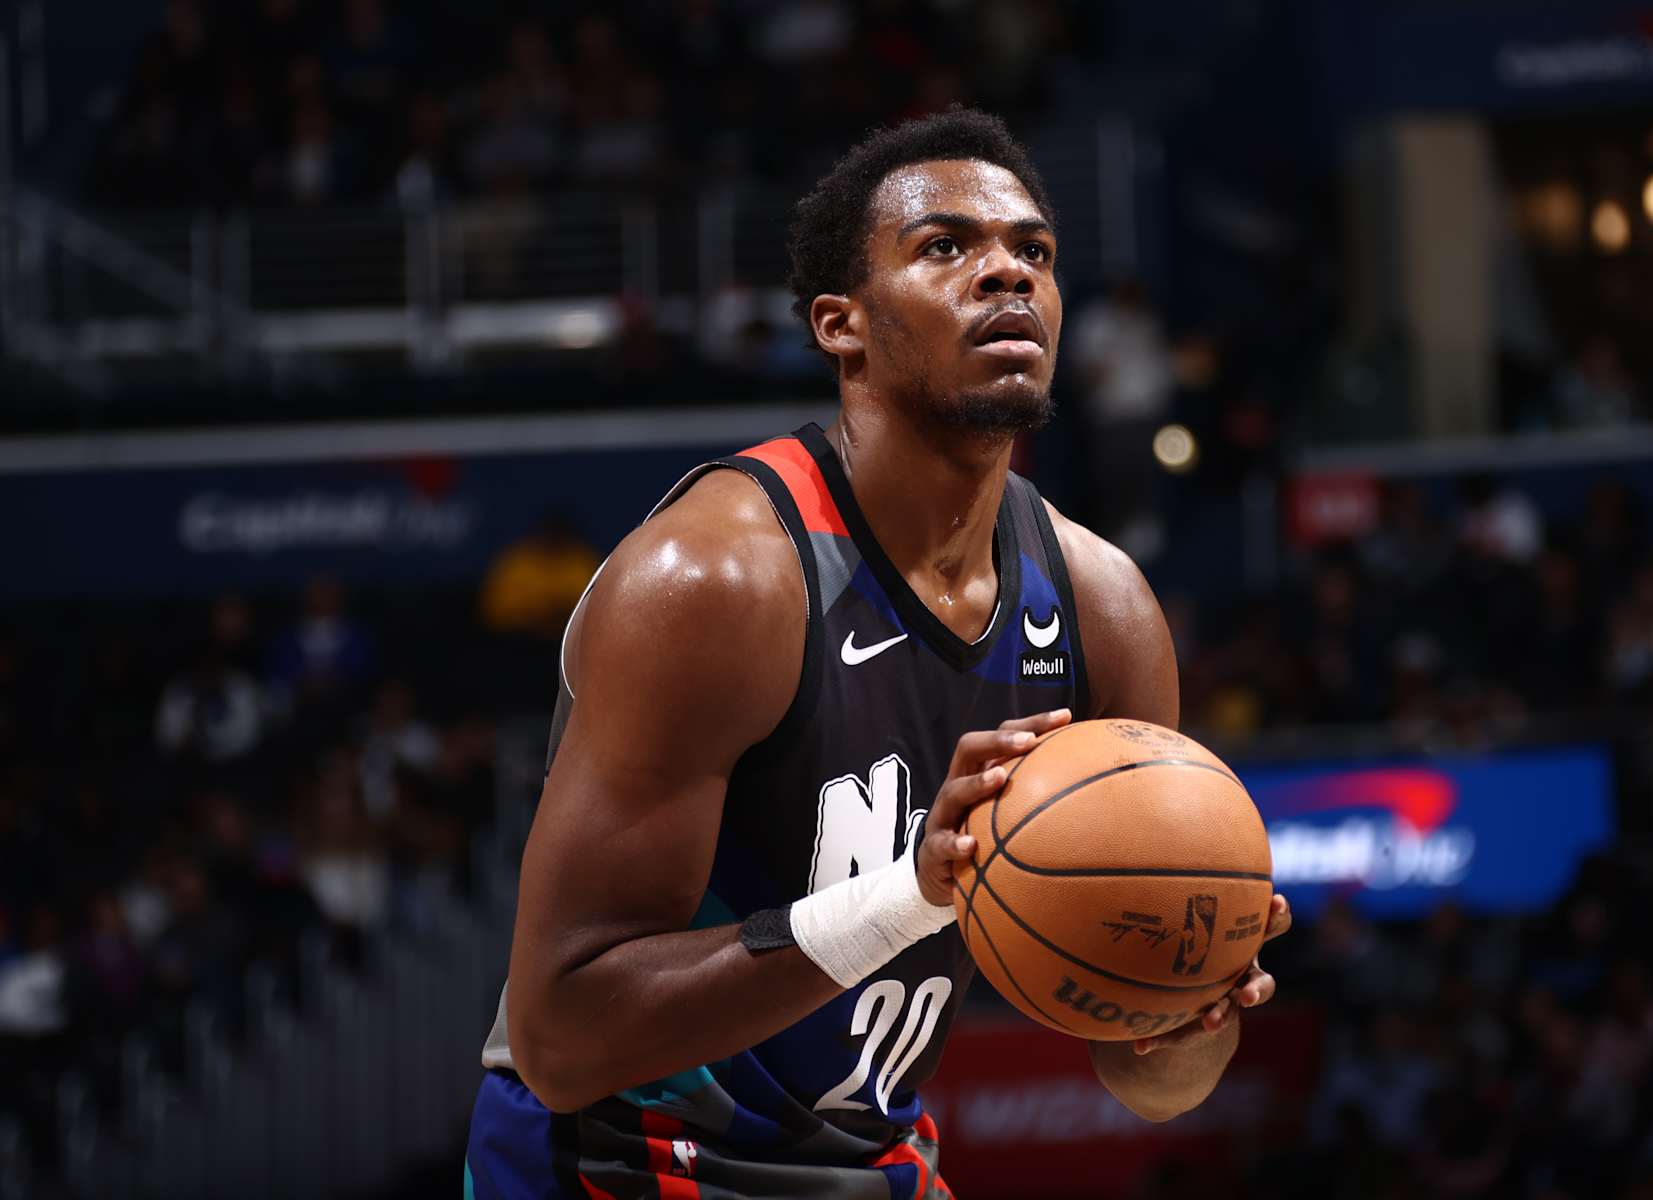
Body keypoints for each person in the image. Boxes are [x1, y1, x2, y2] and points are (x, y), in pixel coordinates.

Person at [465, 108, 1290, 1199]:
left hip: (871, 1162)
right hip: (624, 1160)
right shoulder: (716, 582)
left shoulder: (1105, 609)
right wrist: (913, 894)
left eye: (1032, 252)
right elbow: (564, 1040)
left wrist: (1189, 999)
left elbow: (1150, 1085)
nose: (1007, 274)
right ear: (840, 325)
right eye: (946, 247)